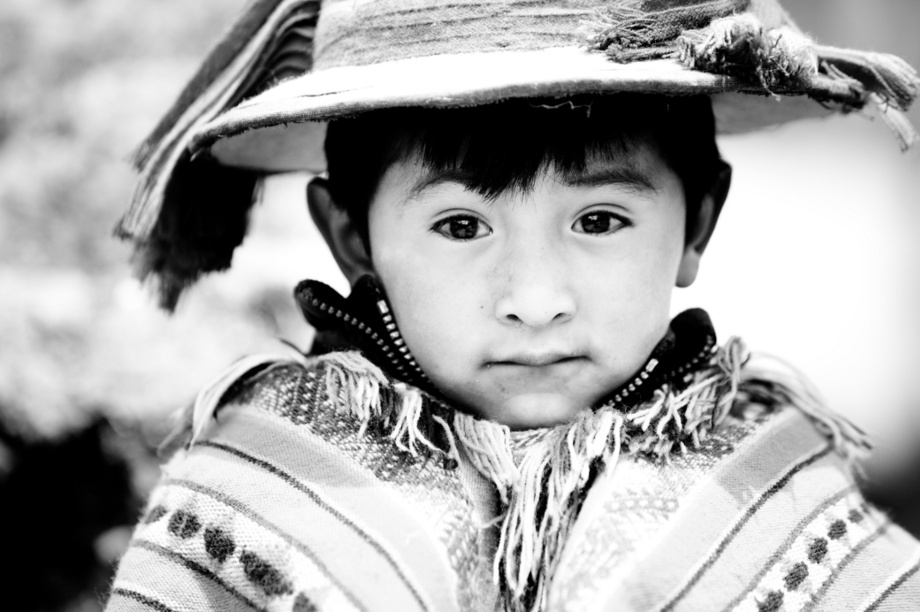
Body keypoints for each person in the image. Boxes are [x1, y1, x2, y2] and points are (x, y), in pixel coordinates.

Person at [106, 1, 920, 611]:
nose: (534, 302)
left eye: (599, 221)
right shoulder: (261, 489)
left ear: (698, 223)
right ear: (351, 237)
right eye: (461, 226)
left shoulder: (773, 497)